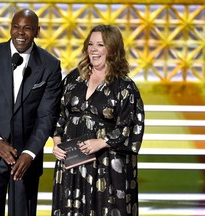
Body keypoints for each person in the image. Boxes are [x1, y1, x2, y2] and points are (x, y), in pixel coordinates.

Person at [0, 8, 62, 216]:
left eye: (27, 28)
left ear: (37, 32)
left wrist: (29, 153)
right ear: (10, 29)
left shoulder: (50, 65)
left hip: (25, 160)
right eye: (16, 27)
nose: (20, 33)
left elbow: (47, 116)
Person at [51, 24, 145, 216]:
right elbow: (58, 113)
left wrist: (101, 142)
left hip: (108, 166)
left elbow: (131, 127)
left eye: (100, 44)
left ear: (112, 49)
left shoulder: (125, 87)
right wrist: (57, 143)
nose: (93, 49)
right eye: (90, 44)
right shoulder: (73, 79)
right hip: (72, 163)